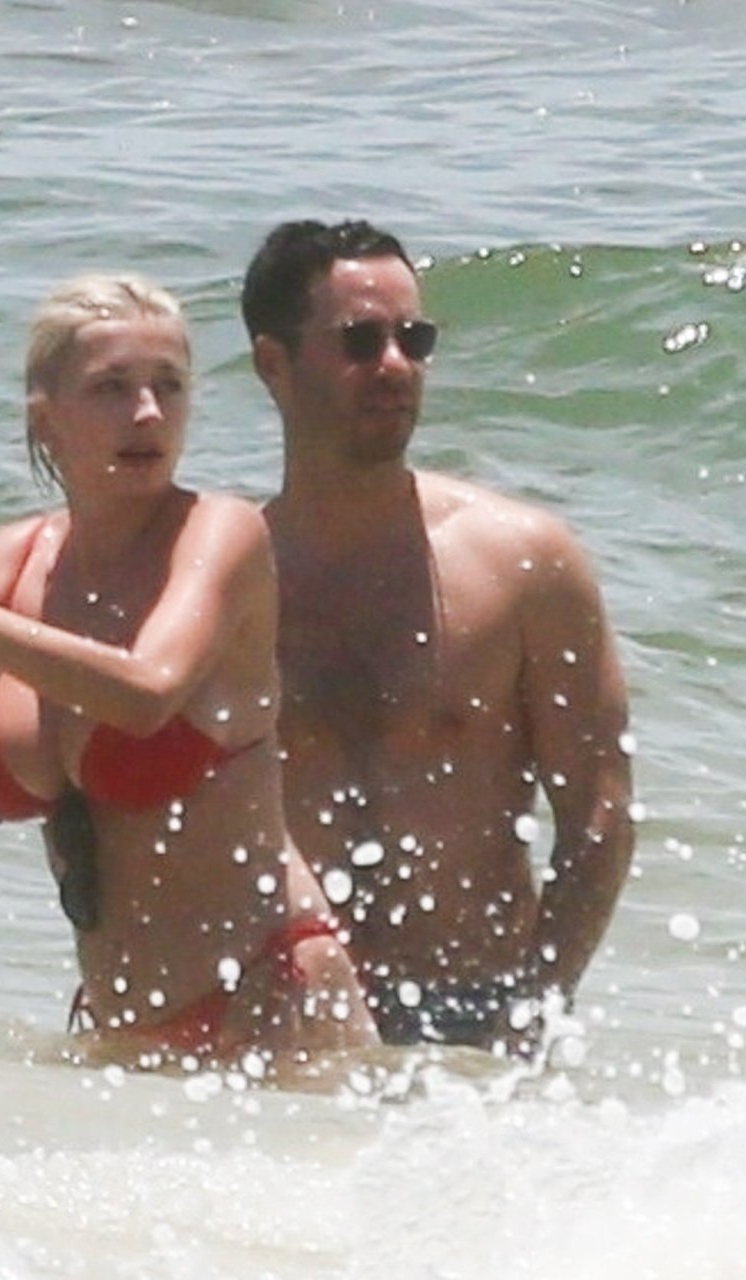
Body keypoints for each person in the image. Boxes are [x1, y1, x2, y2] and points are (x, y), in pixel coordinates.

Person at [0, 273, 377, 1076]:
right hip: (116, 1026)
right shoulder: (10, 563)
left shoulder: (219, 534)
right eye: (111, 388)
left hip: (269, 993)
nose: (148, 413)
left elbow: (146, 692)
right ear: (46, 418)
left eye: (169, 385)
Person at [241, 220, 636, 1055]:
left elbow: (599, 815)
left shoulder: (525, 563)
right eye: (360, 341)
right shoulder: (227, 580)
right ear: (274, 365)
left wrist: (532, 1012)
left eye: (413, 339)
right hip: (290, 1017)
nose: (394, 365)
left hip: (474, 1013)